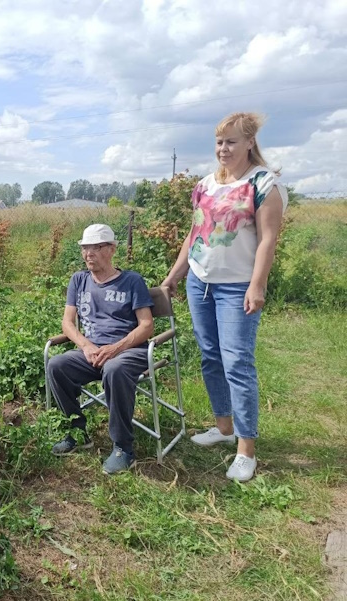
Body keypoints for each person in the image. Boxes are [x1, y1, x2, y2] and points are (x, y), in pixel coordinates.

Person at [162, 112, 287, 483]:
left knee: (237, 362)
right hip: (199, 283)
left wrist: (257, 285)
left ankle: (246, 450)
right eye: (219, 142)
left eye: (231, 141)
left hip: (236, 286)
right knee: (211, 357)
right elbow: (195, 234)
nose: (223, 148)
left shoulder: (264, 184)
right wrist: (174, 277)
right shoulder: (205, 184)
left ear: (250, 143)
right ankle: (223, 426)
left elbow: (267, 239)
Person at [46, 224, 154, 475]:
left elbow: (147, 325)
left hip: (127, 351)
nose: (88, 254)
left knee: (114, 368)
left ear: (112, 249)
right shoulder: (79, 280)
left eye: (96, 247)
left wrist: (115, 349)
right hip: (91, 352)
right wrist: (86, 345)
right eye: (85, 248)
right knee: (57, 365)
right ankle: (77, 432)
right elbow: (67, 322)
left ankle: (123, 448)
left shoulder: (132, 281)